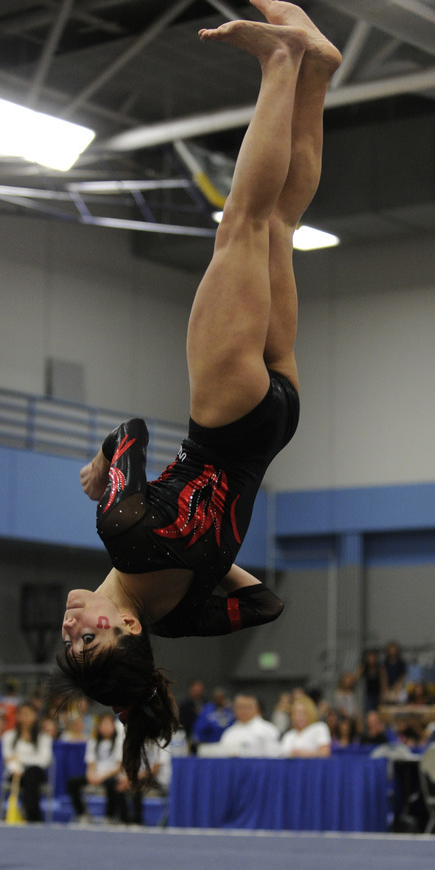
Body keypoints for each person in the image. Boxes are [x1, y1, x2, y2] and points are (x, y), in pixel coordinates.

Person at [51, 0, 342, 787]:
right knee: (242, 223)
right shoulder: (122, 531)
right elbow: (135, 431)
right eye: (91, 640)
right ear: (123, 627)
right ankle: (281, 61)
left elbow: (267, 606)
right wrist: (102, 458)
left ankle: (315, 67)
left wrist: (216, 563)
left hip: (273, 422)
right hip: (224, 416)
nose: (72, 627)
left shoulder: (181, 609)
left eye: (70, 642)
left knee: (278, 226)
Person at [1, 701, 53, 822]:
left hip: (36, 774)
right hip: (15, 775)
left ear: (35, 716)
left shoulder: (44, 738)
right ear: (17, 716)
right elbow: (8, 759)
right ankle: (33, 817)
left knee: (32, 772)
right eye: (22, 714)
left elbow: (43, 761)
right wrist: (16, 769)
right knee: (30, 776)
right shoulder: (8, 736)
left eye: (28, 714)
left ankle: (30, 813)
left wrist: (20, 759)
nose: (25, 718)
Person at [67, 712, 124, 823]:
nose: (106, 727)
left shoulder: (119, 742)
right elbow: (91, 762)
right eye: (103, 724)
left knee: (112, 784)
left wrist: (101, 777)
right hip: (95, 775)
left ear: (114, 726)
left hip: (110, 775)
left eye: (109, 724)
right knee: (72, 782)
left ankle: (110, 816)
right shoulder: (93, 741)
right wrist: (91, 775)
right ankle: (81, 813)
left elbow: (119, 766)